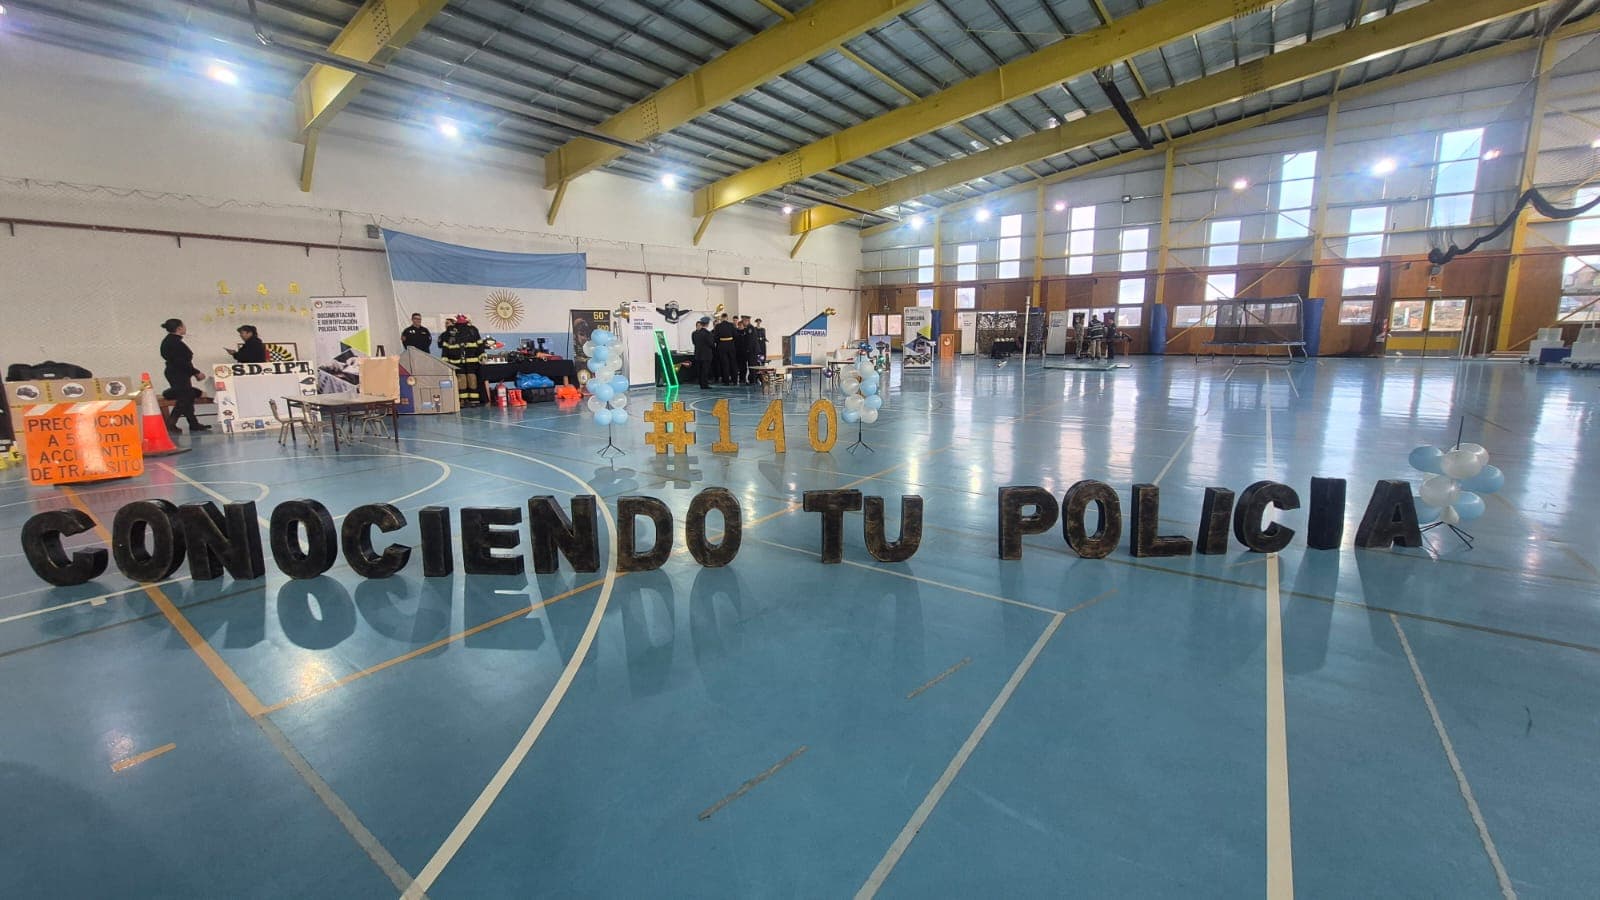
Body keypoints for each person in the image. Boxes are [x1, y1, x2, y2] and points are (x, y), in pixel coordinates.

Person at [159, 318, 211, 432]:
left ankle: (193, 423)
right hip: (178, 373)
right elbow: (181, 362)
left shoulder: (169, 341)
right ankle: (171, 423)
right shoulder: (175, 343)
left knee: (187, 396)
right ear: (179, 328)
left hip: (176, 372)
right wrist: (196, 372)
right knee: (186, 396)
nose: (185, 328)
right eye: (184, 326)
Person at [441, 314, 486, 406]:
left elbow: (479, 343)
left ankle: (474, 399)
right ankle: (463, 400)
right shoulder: (451, 330)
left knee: (471, 377)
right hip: (456, 359)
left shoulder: (473, 329)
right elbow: (445, 346)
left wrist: (482, 355)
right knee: (461, 378)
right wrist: (445, 359)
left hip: (471, 359)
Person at [712, 313, 737, 385]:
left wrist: (720, 342)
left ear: (722, 318)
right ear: (727, 318)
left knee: (724, 364)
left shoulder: (718, 326)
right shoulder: (731, 325)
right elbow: (735, 335)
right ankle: (734, 380)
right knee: (733, 363)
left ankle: (726, 381)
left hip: (722, 346)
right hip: (731, 345)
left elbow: (716, 338)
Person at [691, 317, 715, 389]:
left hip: (698, 354)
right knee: (705, 370)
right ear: (707, 324)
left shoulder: (695, 333)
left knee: (700, 370)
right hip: (706, 354)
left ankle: (701, 384)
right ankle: (705, 385)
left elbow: (694, 343)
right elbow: (711, 344)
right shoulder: (708, 333)